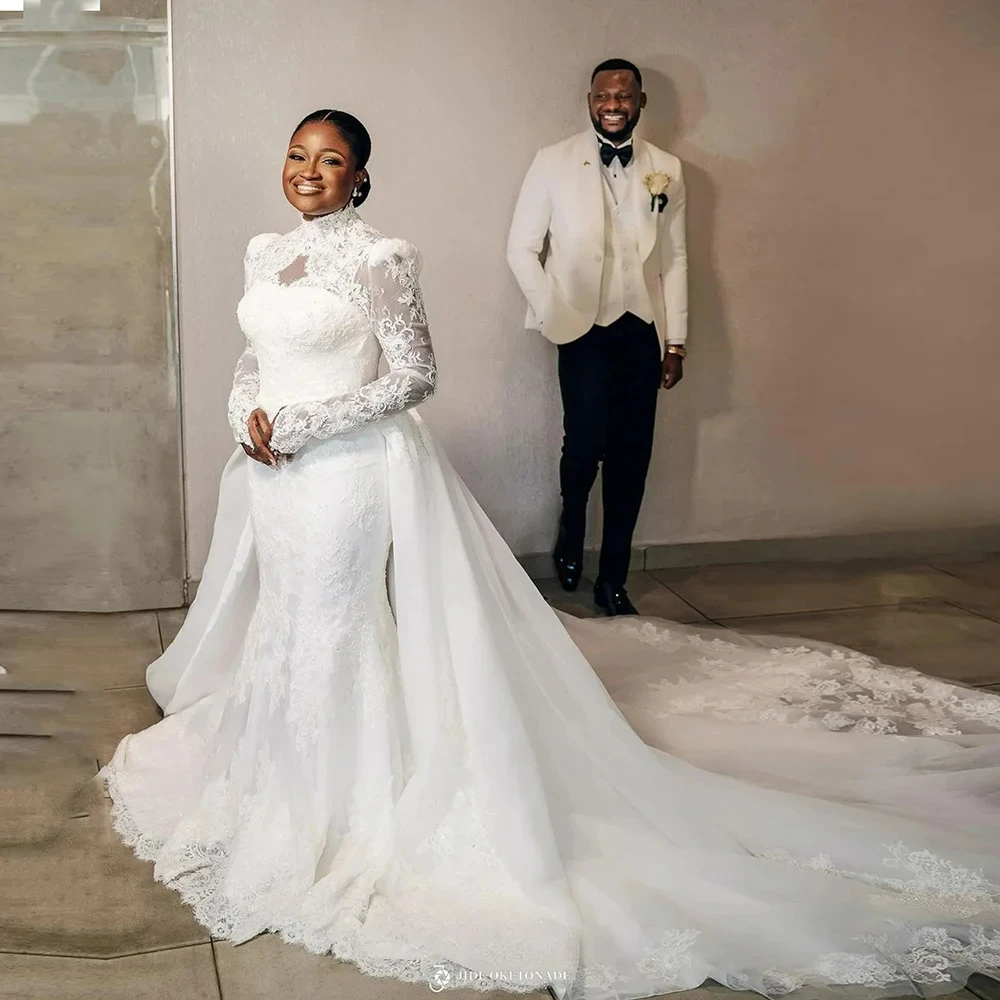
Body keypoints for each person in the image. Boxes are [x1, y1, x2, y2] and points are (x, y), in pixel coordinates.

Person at [100, 109, 1000, 1000]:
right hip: (270, 477)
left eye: (330, 160)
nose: (307, 170)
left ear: (360, 177)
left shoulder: (382, 259)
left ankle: (349, 802)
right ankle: (280, 779)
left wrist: (302, 424)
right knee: (286, 621)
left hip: (344, 474)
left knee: (335, 624)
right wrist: (246, 420)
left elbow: (415, 377)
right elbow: (250, 363)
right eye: (297, 155)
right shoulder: (264, 251)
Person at [507, 58, 688, 617]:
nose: (613, 105)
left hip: (641, 328)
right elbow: (521, 248)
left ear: (640, 102)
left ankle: (613, 578)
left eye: (625, 96)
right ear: (590, 100)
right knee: (585, 442)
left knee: (633, 454)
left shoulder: (667, 169)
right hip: (580, 327)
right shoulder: (553, 161)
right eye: (604, 96)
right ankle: (571, 522)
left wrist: (675, 341)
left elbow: (677, 258)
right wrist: (552, 309)